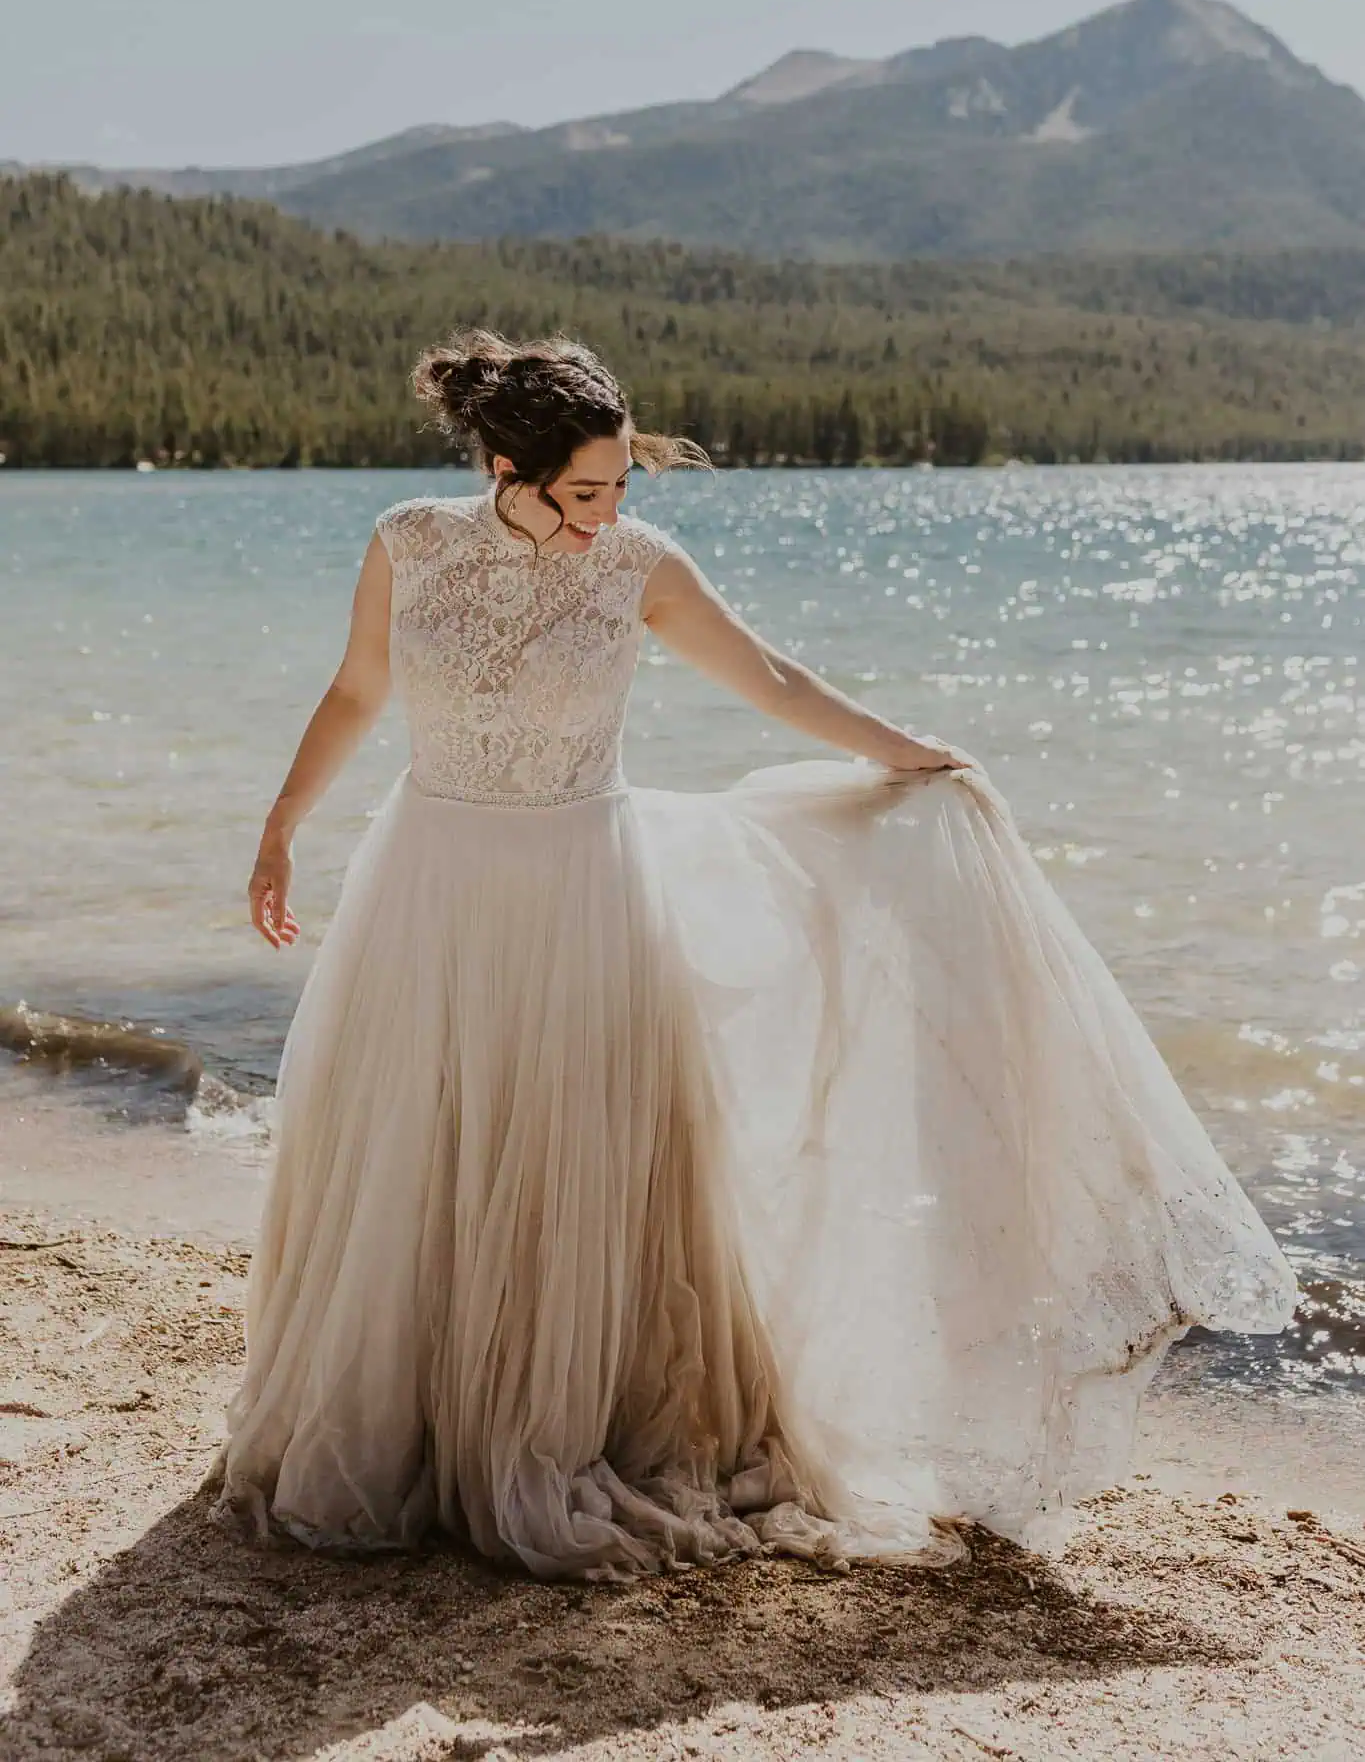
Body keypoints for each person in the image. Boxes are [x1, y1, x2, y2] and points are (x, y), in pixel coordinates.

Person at [216, 330, 1297, 1581]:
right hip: (430, 883)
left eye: (620, 488)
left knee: (577, 1165)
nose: (603, 516)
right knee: (417, 1152)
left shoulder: (639, 567)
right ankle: (409, 1425)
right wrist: (280, 828)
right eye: (580, 492)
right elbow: (358, 689)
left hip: (583, 892)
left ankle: (564, 1424)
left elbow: (774, 680)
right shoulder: (410, 539)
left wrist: (909, 752)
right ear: (506, 466)